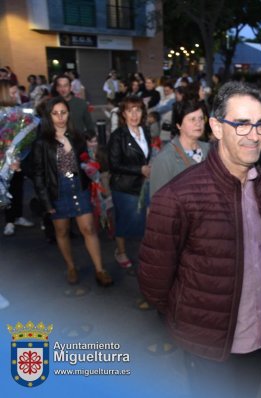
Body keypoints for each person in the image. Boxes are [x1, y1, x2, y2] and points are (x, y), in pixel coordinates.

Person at [138, 82, 261, 398]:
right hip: (207, 344)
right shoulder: (178, 196)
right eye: (241, 124)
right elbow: (154, 281)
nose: (254, 135)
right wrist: (193, 319)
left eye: (260, 124)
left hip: (256, 336)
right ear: (216, 127)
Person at [31, 97, 113, 286]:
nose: (60, 117)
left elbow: (85, 161)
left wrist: (91, 162)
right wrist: (46, 202)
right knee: (62, 230)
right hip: (57, 191)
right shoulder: (42, 143)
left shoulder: (77, 136)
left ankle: (100, 269)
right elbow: (38, 175)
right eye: (55, 113)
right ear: (48, 116)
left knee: (89, 228)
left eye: (64, 112)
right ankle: (70, 266)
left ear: (69, 113)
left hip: (79, 186)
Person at [107, 96, 152, 269]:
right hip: (124, 186)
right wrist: (139, 169)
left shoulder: (145, 131)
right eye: (129, 110)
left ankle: (144, 251)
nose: (134, 114)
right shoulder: (118, 136)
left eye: (138, 110)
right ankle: (121, 252)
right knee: (124, 220)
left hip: (142, 184)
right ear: (123, 114)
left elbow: (145, 156)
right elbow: (113, 164)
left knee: (144, 220)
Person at [149, 99, 210, 198]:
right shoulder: (165, 159)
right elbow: (158, 203)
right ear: (178, 125)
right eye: (192, 119)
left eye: (201, 118)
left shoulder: (210, 150)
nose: (198, 123)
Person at [1, 80, 36, 236]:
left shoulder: (19, 112)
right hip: (2, 160)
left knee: (17, 186)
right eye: (13, 93)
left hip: (17, 158)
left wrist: (18, 153)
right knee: (5, 189)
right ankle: (9, 221)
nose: (17, 96)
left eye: (17, 92)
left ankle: (18, 215)